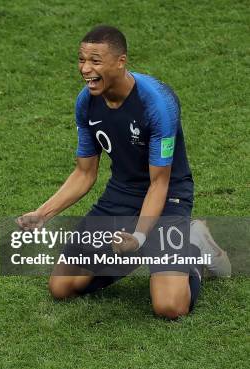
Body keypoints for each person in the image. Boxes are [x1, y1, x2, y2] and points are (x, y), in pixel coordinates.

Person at [17, 25, 230, 319]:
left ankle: (194, 246)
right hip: (122, 193)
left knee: (169, 307)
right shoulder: (86, 102)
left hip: (169, 196)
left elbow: (159, 183)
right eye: (81, 59)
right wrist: (43, 213)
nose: (85, 69)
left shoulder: (157, 103)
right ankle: (146, 252)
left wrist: (139, 237)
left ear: (120, 61)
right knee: (61, 286)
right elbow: (84, 173)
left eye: (95, 60)